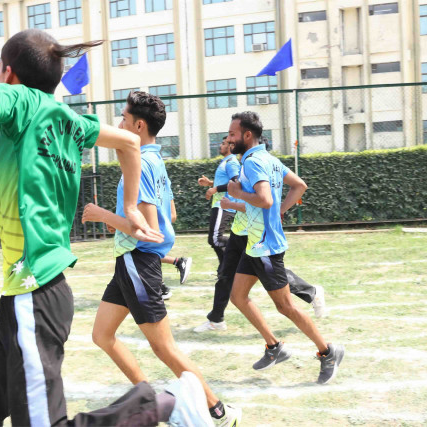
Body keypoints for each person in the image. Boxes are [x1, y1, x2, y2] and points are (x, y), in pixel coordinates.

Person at [0, 29, 212, 426]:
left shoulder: (20, 100)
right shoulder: (69, 120)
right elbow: (130, 144)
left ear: (8, 74)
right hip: (23, 294)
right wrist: (130, 206)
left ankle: (161, 403)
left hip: (35, 294)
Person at [82, 91, 241, 427]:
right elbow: (170, 215)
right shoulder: (154, 160)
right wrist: (124, 221)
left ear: (138, 126)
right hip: (130, 261)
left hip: (137, 261)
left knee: (165, 348)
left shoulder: (139, 164)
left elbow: (149, 230)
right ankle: (151, 402)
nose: (119, 124)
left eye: (124, 118)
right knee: (102, 335)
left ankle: (218, 412)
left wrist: (101, 215)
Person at [226, 111, 344, 384]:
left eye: (232, 134)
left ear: (247, 135)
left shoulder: (253, 162)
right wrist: (281, 211)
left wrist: (237, 194)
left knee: (286, 307)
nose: (229, 139)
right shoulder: (269, 159)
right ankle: (274, 346)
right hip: (255, 244)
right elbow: (299, 186)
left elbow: (265, 199)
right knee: (238, 296)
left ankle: (328, 352)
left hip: (265, 247)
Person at [193, 142, 326, 333]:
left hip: (253, 233)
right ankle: (216, 319)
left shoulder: (250, 165)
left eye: (232, 137)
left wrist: (230, 202)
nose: (229, 142)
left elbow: (258, 203)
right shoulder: (246, 164)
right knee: (225, 275)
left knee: (271, 278)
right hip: (239, 231)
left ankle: (311, 293)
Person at [197, 139, 239, 276]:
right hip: (219, 205)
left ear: (231, 146)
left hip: (224, 205)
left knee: (215, 239)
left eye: (223, 144)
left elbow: (235, 182)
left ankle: (240, 245)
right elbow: (225, 181)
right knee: (214, 240)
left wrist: (215, 189)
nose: (220, 146)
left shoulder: (231, 162)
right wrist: (210, 183)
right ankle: (224, 270)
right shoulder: (225, 162)